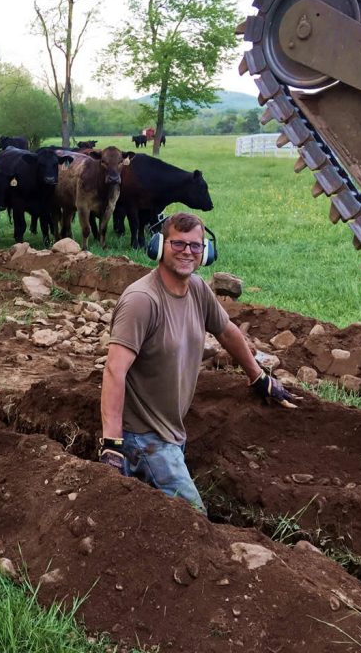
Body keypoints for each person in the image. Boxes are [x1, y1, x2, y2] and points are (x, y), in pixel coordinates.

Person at [98, 211, 296, 513]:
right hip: (145, 438)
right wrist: (112, 443)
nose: (187, 252)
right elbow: (115, 369)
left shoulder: (198, 290)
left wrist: (259, 377)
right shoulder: (142, 300)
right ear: (159, 245)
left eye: (195, 245)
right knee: (194, 520)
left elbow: (228, 332)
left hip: (172, 432)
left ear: (206, 252)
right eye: (178, 244)